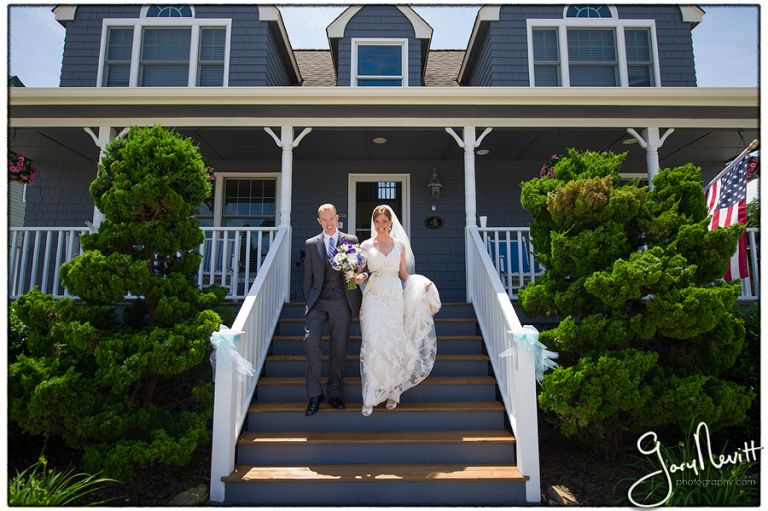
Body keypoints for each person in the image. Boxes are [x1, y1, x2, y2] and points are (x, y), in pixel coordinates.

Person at [356, 205, 441, 416]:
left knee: (393, 343)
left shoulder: (400, 245)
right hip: (373, 297)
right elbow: (361, 272)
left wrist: (421, 283)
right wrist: (360, 277)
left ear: (391, 223)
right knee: (373, 343)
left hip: (394, 297)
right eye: (377, 221)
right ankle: (371, 394)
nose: (381, 225)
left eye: (385, 221)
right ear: (373, 223)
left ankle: (393, 392)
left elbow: (404, 274)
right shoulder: (365, 245)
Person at [302, 203, 363, 416]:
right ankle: (314, 394)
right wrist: (309, 302)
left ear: (338, 218)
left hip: (341, 300)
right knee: (310, 341)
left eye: (332, 219)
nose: (328, 223)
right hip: (318, 302)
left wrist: (353, 283)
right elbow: (307, 278)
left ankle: (335, 393)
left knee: (339, 348)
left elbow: (356, 273)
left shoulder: (351, 241)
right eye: (324, 220)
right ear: (319, 221)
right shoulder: (312, 244)